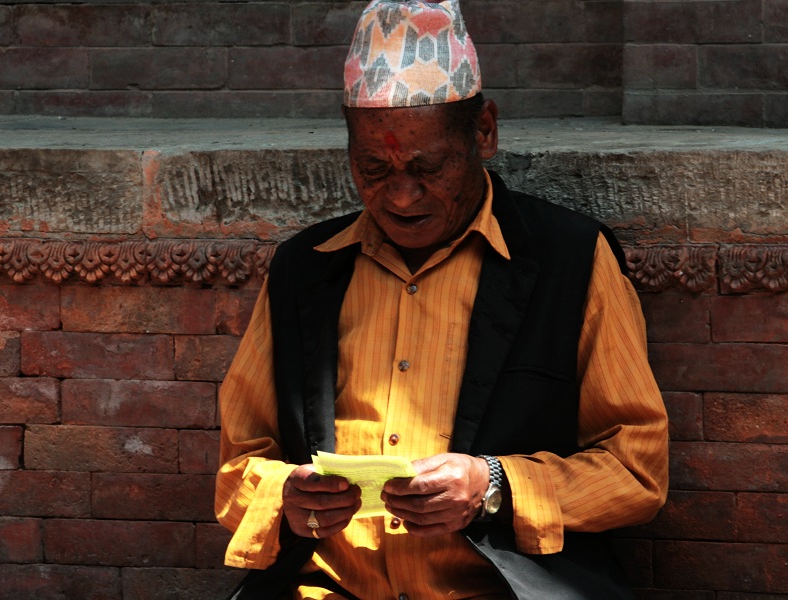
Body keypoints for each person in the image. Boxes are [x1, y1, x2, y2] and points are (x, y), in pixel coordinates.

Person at [215, 1, 669, 598]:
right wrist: (287, 498)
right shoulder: (306, 269)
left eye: (427, 167)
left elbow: (637, 469)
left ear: (484, 131)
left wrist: (493, 484)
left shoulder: (569, 259)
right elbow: (238, 465)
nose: (401, 197)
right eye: (373, 168)